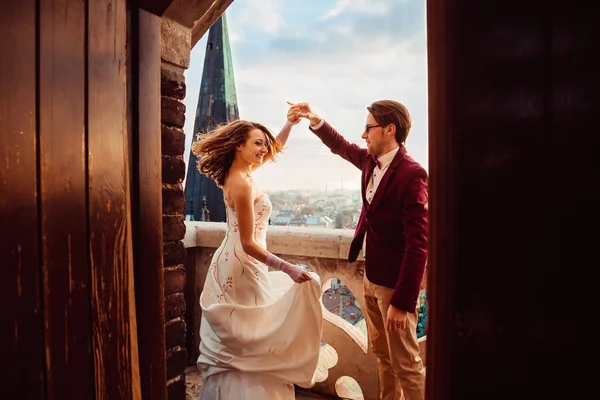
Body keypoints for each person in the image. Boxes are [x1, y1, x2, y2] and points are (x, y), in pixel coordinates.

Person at [288, 100, 428, 400]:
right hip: (370, 278)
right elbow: (340, 145)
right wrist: (314, 119)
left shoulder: (412, 174)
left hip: (394, 288)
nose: (364, 135)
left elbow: (418, 246)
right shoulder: (369, 161)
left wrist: (402, 303)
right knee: (383, 357)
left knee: (407, 364)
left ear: (390, 130)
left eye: (369, 128)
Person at [192, 119, 323, 400]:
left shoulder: (242, 171)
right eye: (257, 143)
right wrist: (287, 268)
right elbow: (248, 243)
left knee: (248, 334)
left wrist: (289, 123)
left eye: (264, 142)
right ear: (239, 145)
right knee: (250, 335)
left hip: (235, 262)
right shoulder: (241, 183)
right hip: (241, 265)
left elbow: (275, 149)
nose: (264, 149)